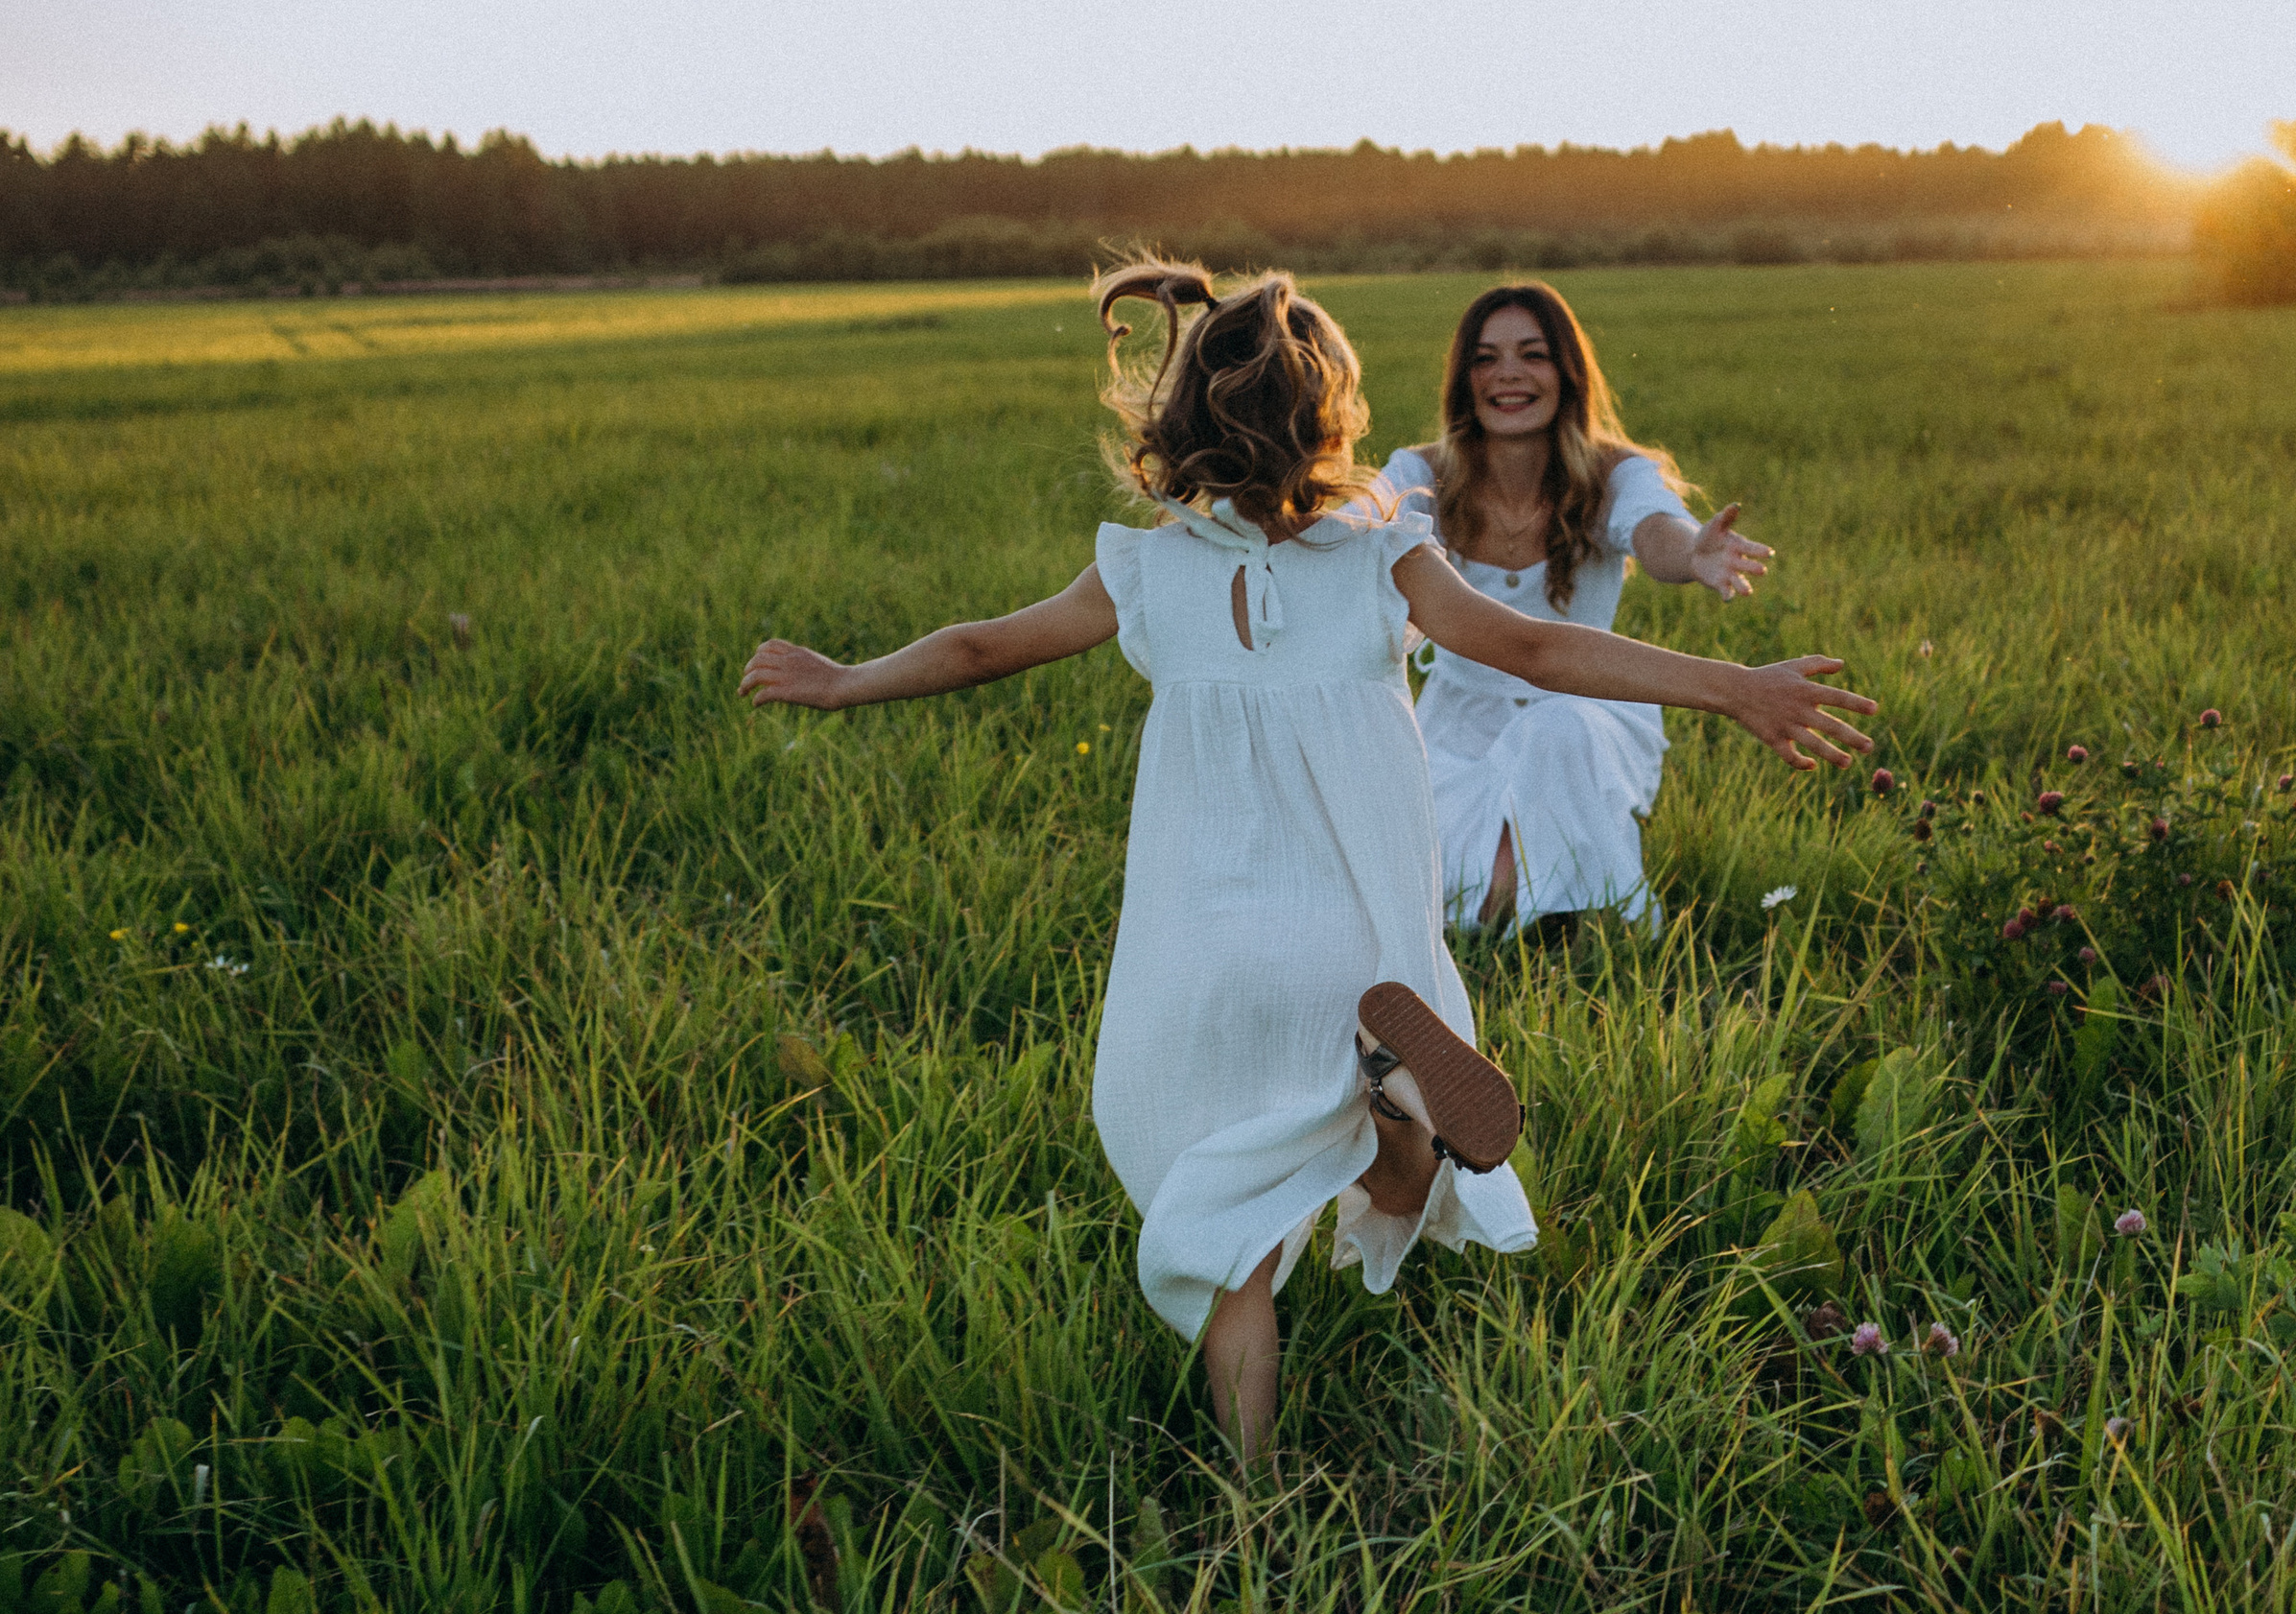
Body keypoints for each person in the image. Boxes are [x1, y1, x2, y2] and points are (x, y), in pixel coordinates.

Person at [738, 261, 1874, 1462]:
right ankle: (1398, 1136)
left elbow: (978, 645)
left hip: (1206, 945)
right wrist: (1734, 688)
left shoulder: (1142, 568)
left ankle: (1252, 1491)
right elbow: (1536, 647)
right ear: (1333, 424)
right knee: (1361, 1080)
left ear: (1175, 422)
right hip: (1356, 927)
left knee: (1220, 1205)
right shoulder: (1383, 551)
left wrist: (845, 679)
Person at [1384, 281, 1772, 935]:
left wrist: (1694, 553)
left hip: (1588, 716)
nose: (1508, 373)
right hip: (1456, 727)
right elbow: (1368, 507)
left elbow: (1656, 531)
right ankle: (1554, 916)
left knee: (1554, 734)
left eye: (1532, 354)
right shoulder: (1424, 472)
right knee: (1443, 896)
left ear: (1566, 372)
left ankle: (1577, 928)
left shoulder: (1614, 471)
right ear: (1463, 380)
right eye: (1486, 358)